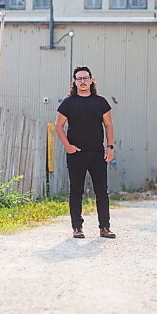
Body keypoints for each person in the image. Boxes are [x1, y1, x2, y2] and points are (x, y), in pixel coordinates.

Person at [55, 66, 116, 239]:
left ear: (91, 80)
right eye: (79, 78)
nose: (82, 81)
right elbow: (58, 126)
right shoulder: (68, 103)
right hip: (76, 153)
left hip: (97, 153)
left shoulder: (101, 102)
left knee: (101, 191)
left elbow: (109, 125)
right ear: (74, 81)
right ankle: (77, 228)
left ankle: (104, 227)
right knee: (76, 191)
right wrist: (68, 146)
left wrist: (110, 147)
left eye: (85, 78)